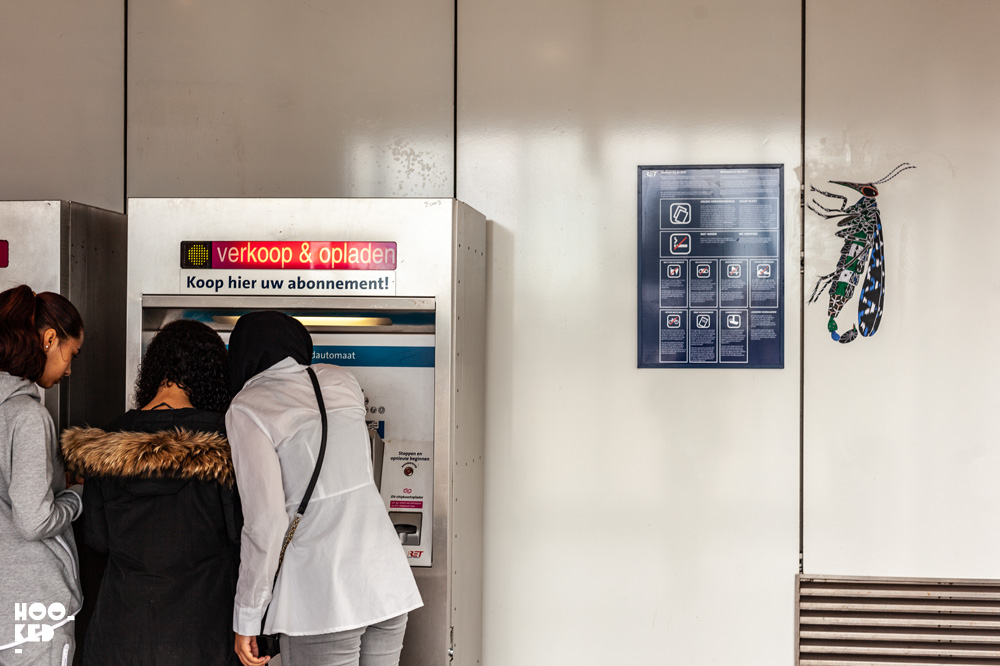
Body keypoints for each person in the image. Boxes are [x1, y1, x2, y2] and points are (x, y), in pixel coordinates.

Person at [226, 311, 422, 666]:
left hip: (322, 596)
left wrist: (247, 618)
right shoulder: (341, 380)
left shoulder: (248, 407)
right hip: (386, 582)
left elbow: (266, 525)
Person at [60, 319, 240, 666]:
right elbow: (240, 533)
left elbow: (97, 538)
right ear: (214, 375)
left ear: (154, 368)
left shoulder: (108, 440)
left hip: (121, 630)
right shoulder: (224, 440)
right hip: (203, 631)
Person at [0, 285, 84, 666]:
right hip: (31, 609)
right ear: (50, 339)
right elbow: (34, 521)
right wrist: (76, 495)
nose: (68, 369)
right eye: (72, 354)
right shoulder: (28, 417)